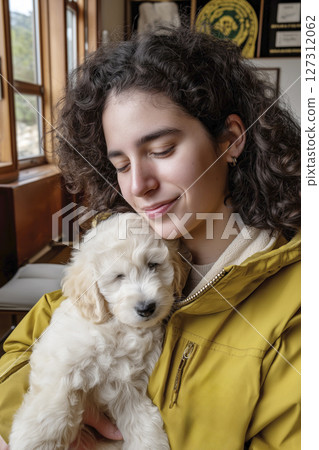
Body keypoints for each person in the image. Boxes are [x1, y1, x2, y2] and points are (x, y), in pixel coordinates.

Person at [0, 26, 300, 449]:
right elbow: (15, 357)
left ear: (231, 140)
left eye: (161, 150)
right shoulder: (112, 246)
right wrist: (71, 417)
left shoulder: (297, 299)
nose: (138, 185)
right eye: (121, 164)